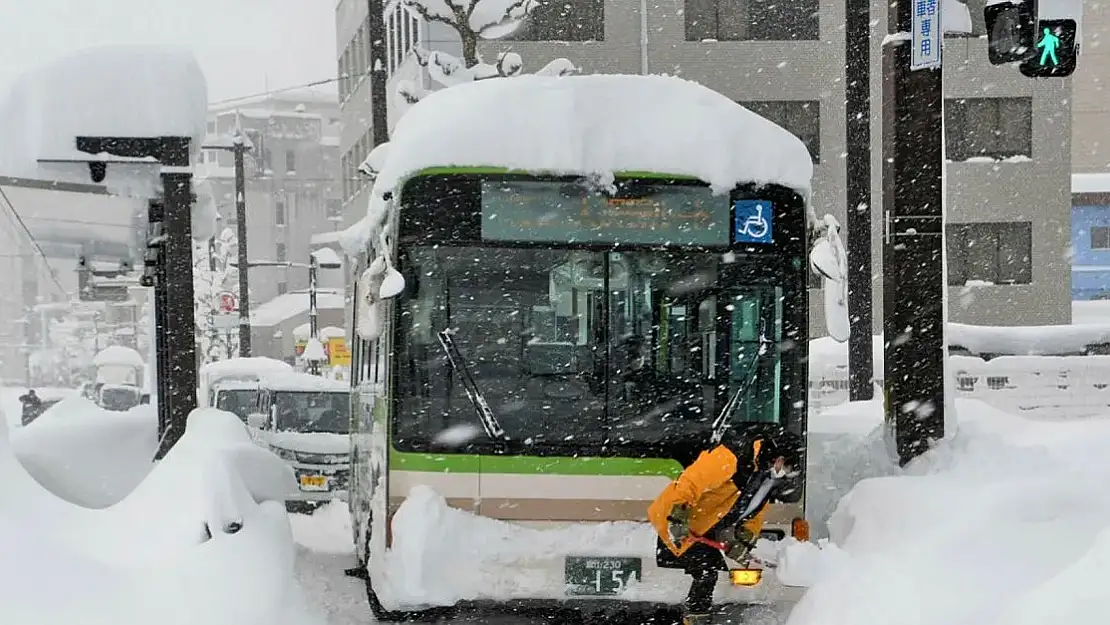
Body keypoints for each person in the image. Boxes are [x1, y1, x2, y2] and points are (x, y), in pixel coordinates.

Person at [647, 425, 803, 625]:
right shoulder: (733, 455)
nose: (782, 473)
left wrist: (743, 541)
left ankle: (696, 617)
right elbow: (691, 481)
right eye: (785, 468)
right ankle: (696, 619)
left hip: (705, 525)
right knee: (707, 569)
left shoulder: (764, 475)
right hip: (677, 522)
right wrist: (678, 515)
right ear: (778, 458)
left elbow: (756, 509)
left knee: (708, 571)